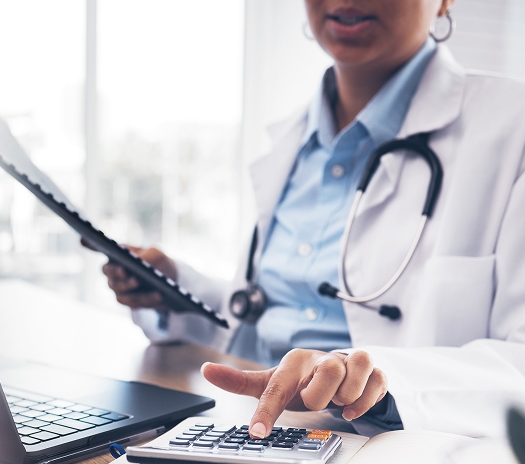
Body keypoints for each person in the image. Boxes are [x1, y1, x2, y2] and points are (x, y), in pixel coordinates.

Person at [95, 0, 525, 440]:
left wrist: (370, 377)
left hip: (390, 453)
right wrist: (176, 291)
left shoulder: (512, 129)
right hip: (252, 424)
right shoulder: (294, 140)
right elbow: (273, 320)